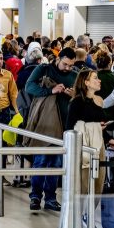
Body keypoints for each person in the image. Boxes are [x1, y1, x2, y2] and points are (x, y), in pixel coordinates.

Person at [25, 47, 78, 212]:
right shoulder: (44, 69)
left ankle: (50, 198)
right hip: (45, 123)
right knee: (41, 160)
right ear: (58, 58)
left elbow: (80, 96)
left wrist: (73, 94)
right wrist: (50, 91)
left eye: (71, 65)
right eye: (65, 64)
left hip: (64, 124)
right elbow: (29, 87)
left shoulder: (74, 75)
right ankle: (35, 196)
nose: (68, 68)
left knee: (55, 163)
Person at [66, 69, 114, 217]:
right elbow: (70, 127)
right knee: (83, 183)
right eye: (95, 78)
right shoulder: (76, 102)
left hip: (99, 145)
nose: (99, 80)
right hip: (83, 147)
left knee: (98, 183)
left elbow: (99, 124)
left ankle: (88, 215)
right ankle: (78, 215)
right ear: (86, 82)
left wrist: (108, 138)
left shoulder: (99, 100)